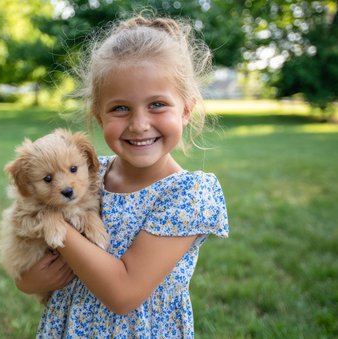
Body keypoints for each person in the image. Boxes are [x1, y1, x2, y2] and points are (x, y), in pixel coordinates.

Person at [16, 13, 229, 338]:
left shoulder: (189, 194)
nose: (139, 124)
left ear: (186, 109)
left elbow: (123, 293)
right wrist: (29, 280)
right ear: (98, 116)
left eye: (157, 104)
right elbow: (26, 267)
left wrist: (52, 221)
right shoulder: (86, 174)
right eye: (120, 108)